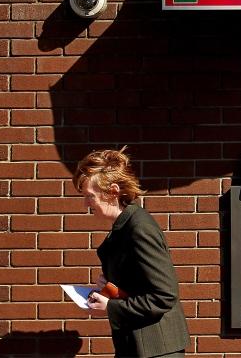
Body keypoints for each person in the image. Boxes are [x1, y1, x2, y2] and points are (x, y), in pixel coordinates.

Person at [73, 147, 190, 357]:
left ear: (113, 191)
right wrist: (110, 286)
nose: (85, 203)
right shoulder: (125, 226)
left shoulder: (139, 228)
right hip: (139, 345)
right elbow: (139, 283)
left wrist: (110, 307)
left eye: (90, 196)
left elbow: (164, 295)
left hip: (155, 350)